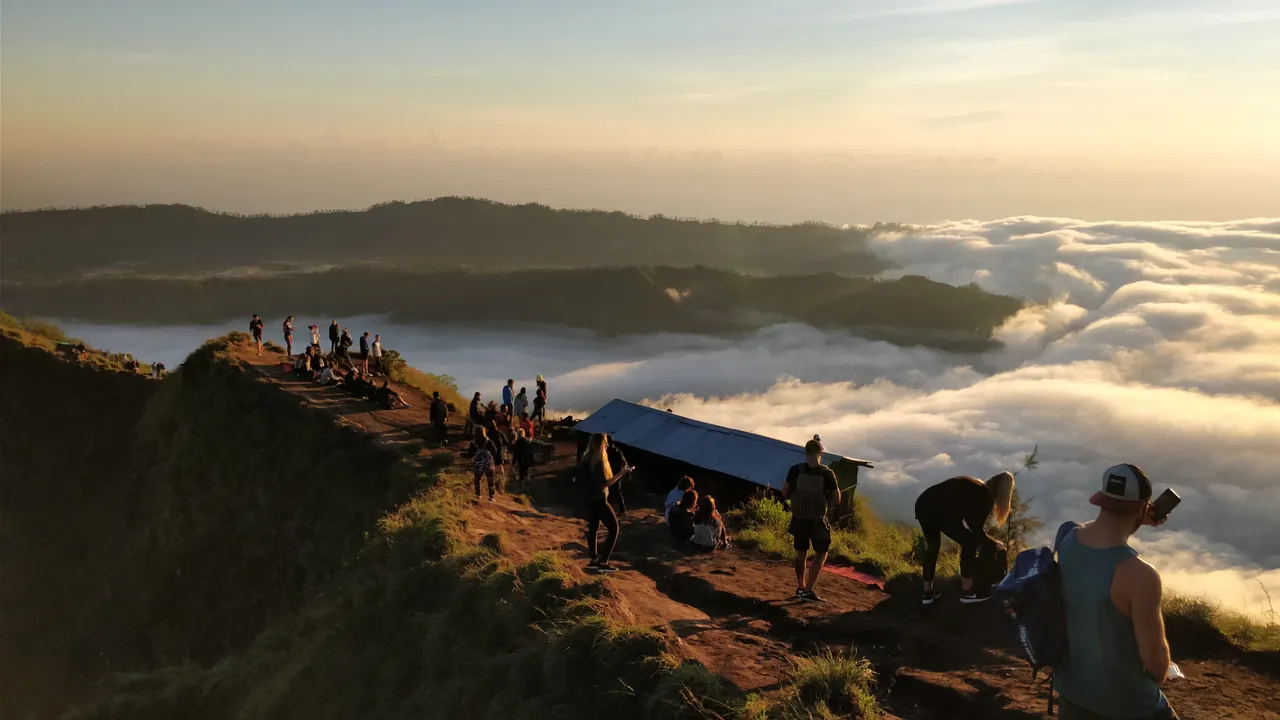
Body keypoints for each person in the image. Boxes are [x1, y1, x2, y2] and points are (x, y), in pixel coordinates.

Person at [1054, 464, 1178, 720]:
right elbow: (1155, 660)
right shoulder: (1139, 574)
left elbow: (1092, 532)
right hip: (1127, 703)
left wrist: (1134, 517)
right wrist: (1163, 672)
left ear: (1101, 500)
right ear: (1143, 507)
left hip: (1072, 693)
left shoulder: (1066, 538)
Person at [914, 471, 1016, 605]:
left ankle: (927, 593)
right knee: (970, 542)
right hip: (940, 510)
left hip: (923, 503)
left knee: (933, 546)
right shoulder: (984, 497)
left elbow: (970, 522)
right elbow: (977, 531)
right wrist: (994, 544)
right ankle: (968, 591)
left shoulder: (976, 487)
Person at [781, 438, 840, 602]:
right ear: (821, 452)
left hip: (799, 517)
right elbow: (836, 500)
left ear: (806, 452)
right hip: (817, 520)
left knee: (801, 553)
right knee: (821, 553)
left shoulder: (796, 470)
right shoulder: (827, 473)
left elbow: (785, 492)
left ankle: (800, 586)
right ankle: (808, 590)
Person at [579, 432, 632, 573]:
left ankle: (593, 560)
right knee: (614, 529)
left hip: (589, 499)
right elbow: (603, 484)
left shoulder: (586, 459)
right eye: (605, 442)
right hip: (599, 499)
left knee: (594, 528)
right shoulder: (599, 462)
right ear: (601, 444)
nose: (607, 445)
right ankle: (603, 562)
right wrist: (621, 473)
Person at [469, 428, 499, 501]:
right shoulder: (488, 441)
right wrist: (490, 456)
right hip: (489, 463)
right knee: (490, 479)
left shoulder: (473, 442)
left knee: (477, 479)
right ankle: (491, 497)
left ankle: (478, 495)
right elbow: (495, 451)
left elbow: (470, 453)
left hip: (478, 463)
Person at [604, 434, 629, 514]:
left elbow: (623, 461)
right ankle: (617, 509)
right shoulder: (617, 450)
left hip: (613, 474)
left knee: (613, 491)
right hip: (616, 473)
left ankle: (621, 509)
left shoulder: (610, 451)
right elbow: (624, 461)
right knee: (614, 492)